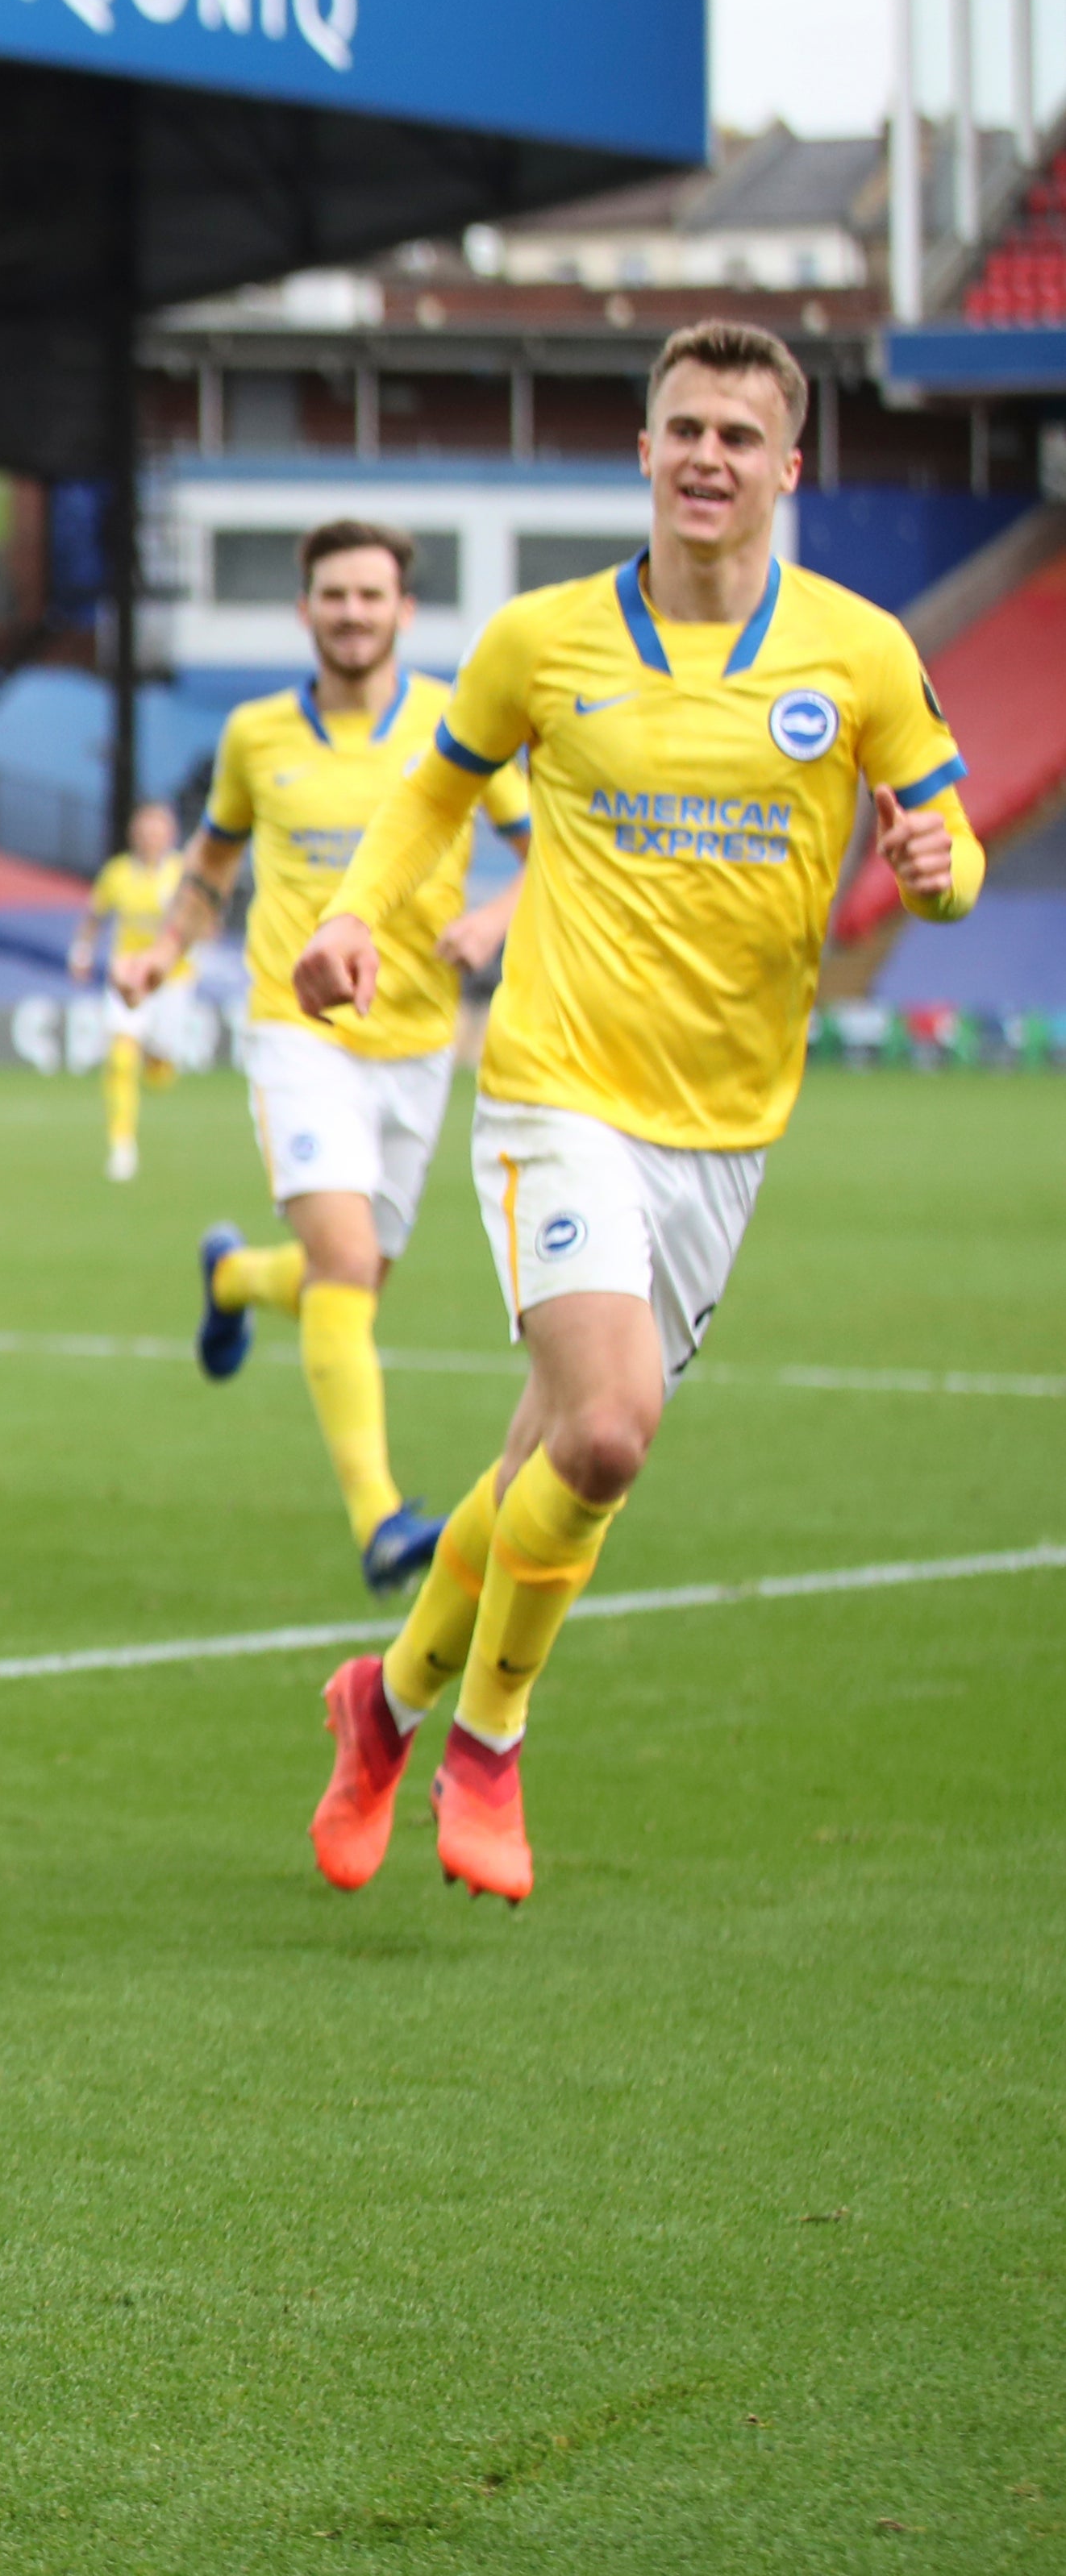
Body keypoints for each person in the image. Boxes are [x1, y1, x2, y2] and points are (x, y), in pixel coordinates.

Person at [292, 322, 978, 1905]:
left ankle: (380, 1703)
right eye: (684, 428)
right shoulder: (544, 639)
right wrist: (357, 915)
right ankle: (490, 1738)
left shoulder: (861, 653)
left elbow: (942, 828)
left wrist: (946, 875)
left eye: (741, 434)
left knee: (544, 1455)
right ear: (646, 449)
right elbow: (439, 792)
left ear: (788, 465)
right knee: (605, 1434)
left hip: (725, 1130)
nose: (708, 457)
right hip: (554, 1088)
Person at [119, 521, 531, 1598]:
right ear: (304, 611)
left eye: (372, 595)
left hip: (419, 1041)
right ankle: (383, 1521)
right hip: (297, 1031)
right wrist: (161, 953)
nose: (353, 613)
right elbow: (210, 867)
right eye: (333, 596)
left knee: (351, 1282)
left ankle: (235, 1276)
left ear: (404, 611)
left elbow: (552, 856)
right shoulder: (256, 735)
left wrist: (494, 918)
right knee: (349, 1266)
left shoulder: (454, 722)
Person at [70, 801, 188, 1182]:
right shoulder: (117, 873)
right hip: (128, 977)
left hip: (174, 981)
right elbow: (94, 917)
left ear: (170, 836)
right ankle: (122, 1147)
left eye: (159, 831)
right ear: (134, 835)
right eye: (145, 831)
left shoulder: (183, 873)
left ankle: (160, 1062)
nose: (151, 838)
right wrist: (83, 952)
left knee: (161, 1066)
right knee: (121, 1058)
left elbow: (207, 920)